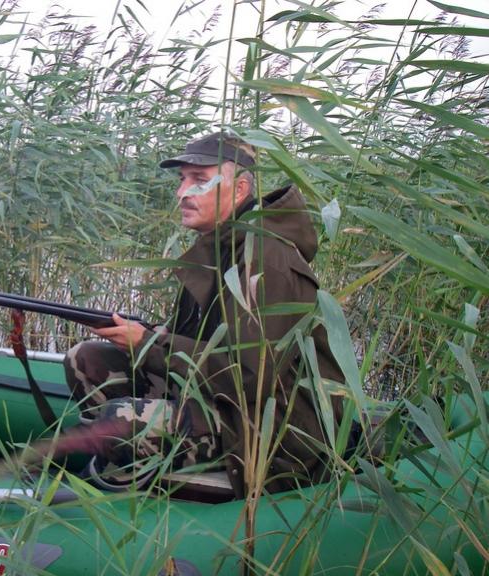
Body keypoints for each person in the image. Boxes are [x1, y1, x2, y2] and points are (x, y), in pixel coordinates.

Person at [63, 132, 346, 498]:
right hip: (218, 400)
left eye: (199, 180)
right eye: (182, 180)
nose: (182, 192)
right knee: (85, 360)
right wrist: (149, 335)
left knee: (122, 419)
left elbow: (250, 377)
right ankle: (131, 466)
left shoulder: (265, 259)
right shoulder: (218, 247)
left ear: (239, 189)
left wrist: (149, 343)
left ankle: (142, 485)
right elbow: (204, 341)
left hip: (266, 433)